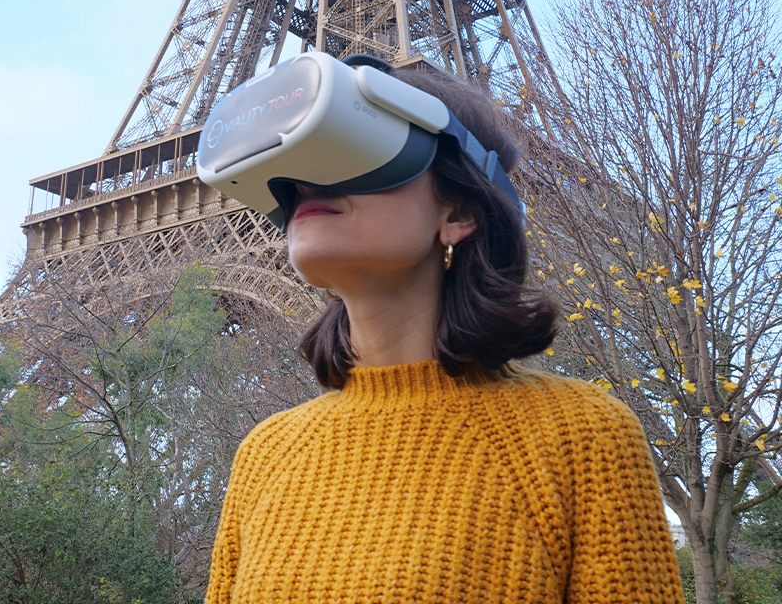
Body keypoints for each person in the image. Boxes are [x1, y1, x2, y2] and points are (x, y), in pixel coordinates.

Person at [204, 65, 685, 603]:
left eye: (350, 145)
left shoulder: (581, 437)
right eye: (291, 161)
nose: (303, 180)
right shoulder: (265, 453)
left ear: (457, 210)